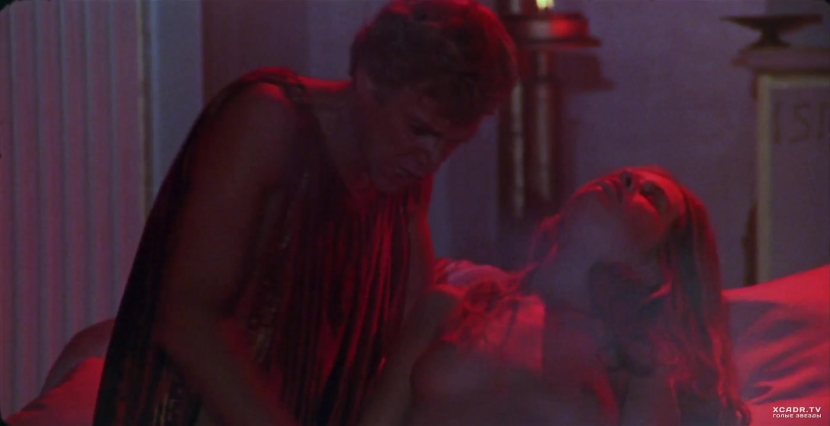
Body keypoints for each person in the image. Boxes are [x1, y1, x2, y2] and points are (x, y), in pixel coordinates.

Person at [92, 1, 517, 425]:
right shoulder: (268, 119)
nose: (432, 158)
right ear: (369, 82)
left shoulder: (403, 171)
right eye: (419, 129)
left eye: (452, 143)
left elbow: (410, 332)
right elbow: (187, 317)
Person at [358, 166, 751, 426]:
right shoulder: (447, 307)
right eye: (626, 176)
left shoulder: (636, 364)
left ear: (656, 266)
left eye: (652, 197)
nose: (628, 181)